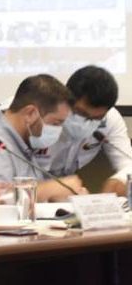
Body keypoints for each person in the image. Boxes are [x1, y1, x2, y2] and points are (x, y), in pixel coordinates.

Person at [0, 75, 86, 200]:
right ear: (30, 113)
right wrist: (50, 189)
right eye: (55, 123)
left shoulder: (23, 144)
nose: (59, 131)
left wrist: (66, 197)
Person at [47, 65, 131, 195]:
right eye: (80, 113)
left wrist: (119, 180)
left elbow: (128, 163)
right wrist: (50, 189)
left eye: (96, 118)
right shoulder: (40, 112)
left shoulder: (110, 119)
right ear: (66, 98)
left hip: (65, 193)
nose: (85, 124)